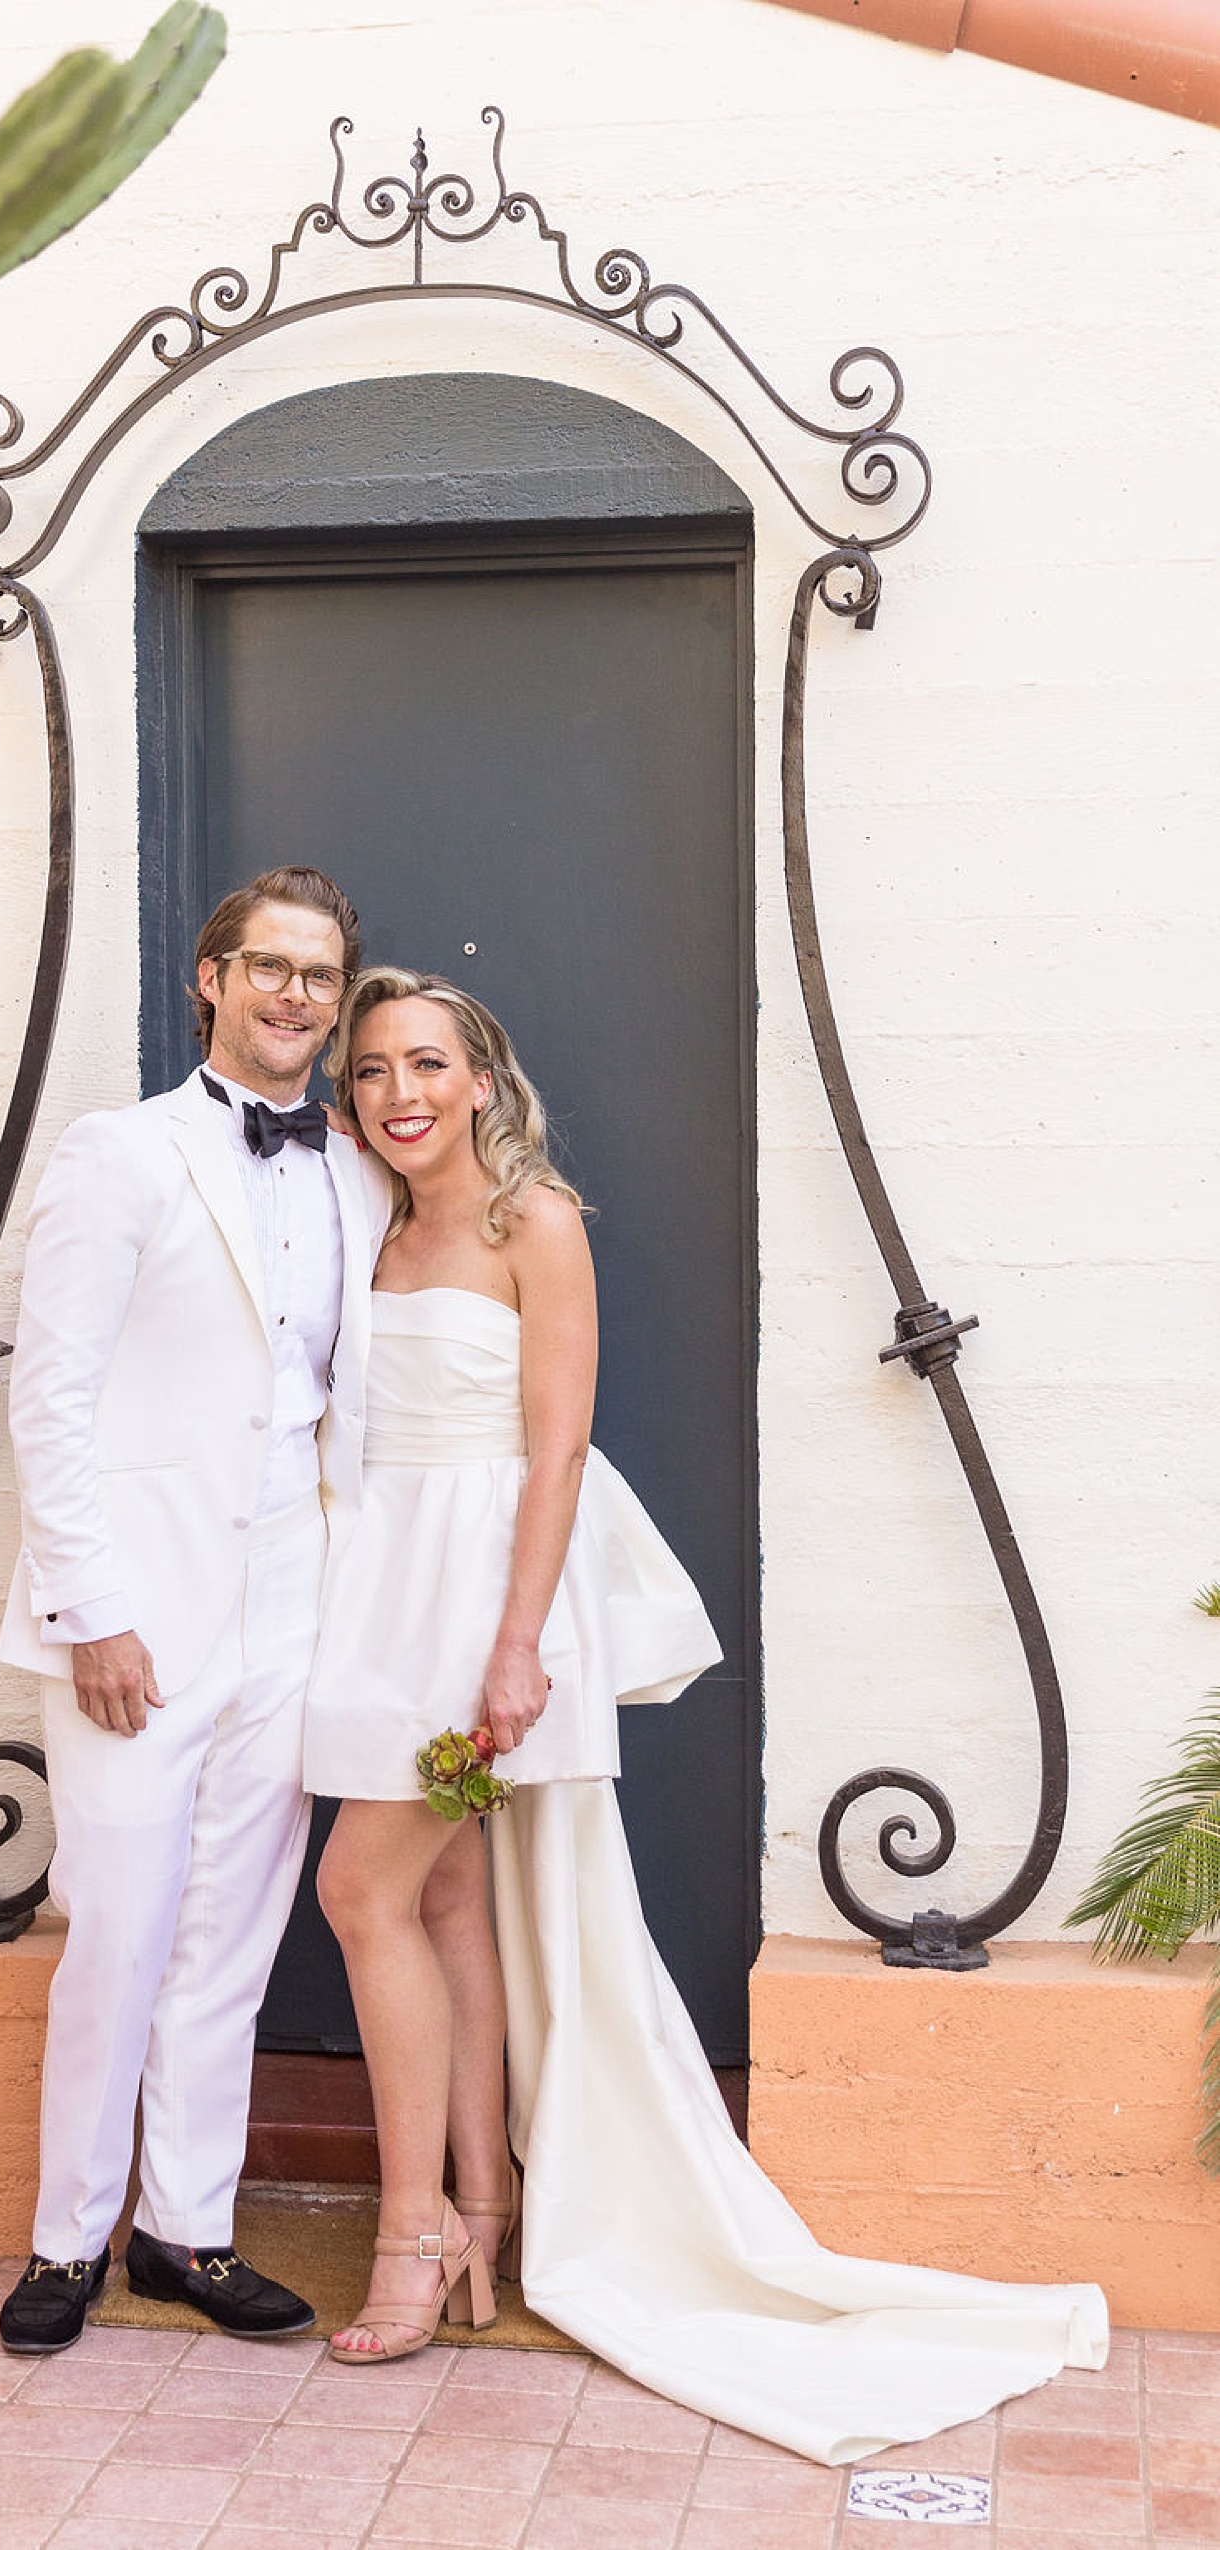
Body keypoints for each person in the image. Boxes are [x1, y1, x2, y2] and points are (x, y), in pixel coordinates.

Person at [306, 966, 1109, 2464]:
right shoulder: (370, 1226)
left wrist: (516, 1647)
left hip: (483, 1602)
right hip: (376, 1592)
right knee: (452, 1897)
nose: (398, 1091)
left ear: (483, 1074)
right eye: (369, 1072)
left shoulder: (528, 1224)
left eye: (426, 1062)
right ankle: (487, 2205)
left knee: (363, 1890)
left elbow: (555, 1455)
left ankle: (414, 2232)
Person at [0, 866, 388, 2356]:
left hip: (296, 1588)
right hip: (138, 1606)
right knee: (120, 1924)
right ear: (209, 981)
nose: (296, 994)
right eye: (269, 966)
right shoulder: (123, 1152)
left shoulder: (356, 1169)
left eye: (320, 975)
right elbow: (54, 1390)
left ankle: (188, 2229)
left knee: (234, 1925)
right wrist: (89, 1605)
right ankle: (66, 2237)